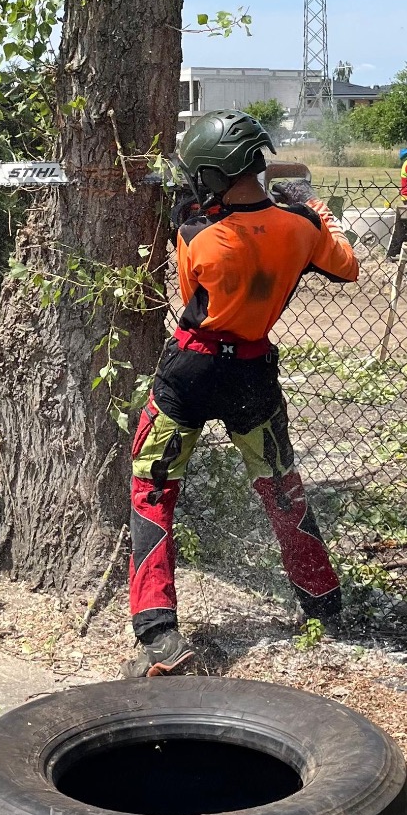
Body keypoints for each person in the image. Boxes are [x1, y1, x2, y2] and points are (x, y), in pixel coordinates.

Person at [127, 111, 359, 676]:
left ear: (216, 172)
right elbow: (347, 268)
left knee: (152, 488)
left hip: (193, 369)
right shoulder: (301, 227)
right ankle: (324, 604)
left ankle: (158, 633)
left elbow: (190, 286)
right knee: (281, 488)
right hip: (254, 372)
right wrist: (320, 219)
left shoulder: (194, 229)